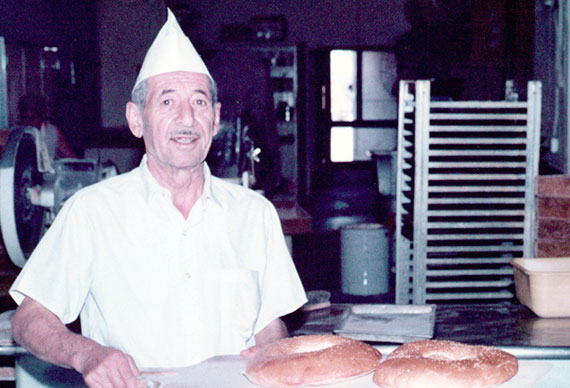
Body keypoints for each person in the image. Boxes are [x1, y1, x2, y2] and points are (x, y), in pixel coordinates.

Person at [9, 8, 307, 388]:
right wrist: (86, 354)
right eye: (167, 101)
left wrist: (273, 351)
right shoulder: (93, 212)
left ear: (215, 120)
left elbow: (269, 325)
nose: (186, 117)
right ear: (136, 119)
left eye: (199, 102)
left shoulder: (254, 213)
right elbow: (29, 318)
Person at [18, 93, 77, 160]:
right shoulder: (16, 134)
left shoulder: (53, 132)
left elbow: (71, 158)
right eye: (25, 118)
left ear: (41, 117)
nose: (28, 122)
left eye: (32, 118)